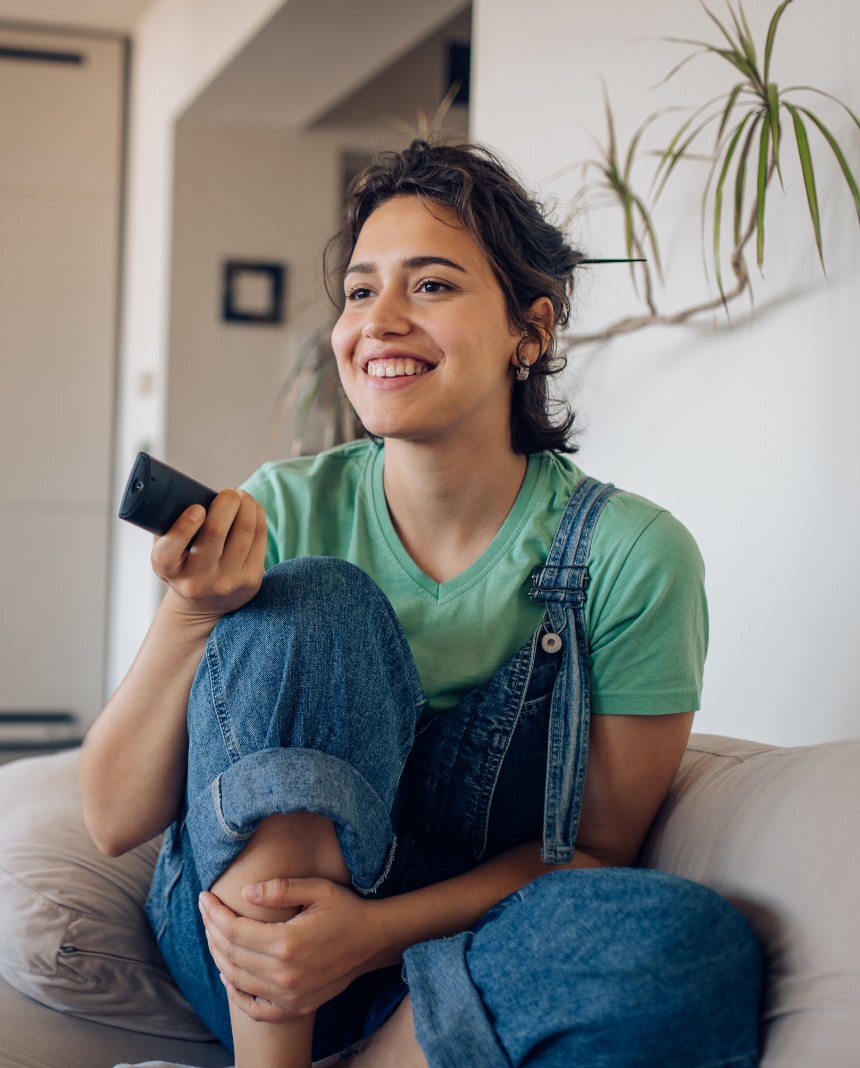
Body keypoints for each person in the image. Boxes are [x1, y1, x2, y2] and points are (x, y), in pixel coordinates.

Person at [79, 140, 762, 1068]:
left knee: (690, 947)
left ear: (531, 330)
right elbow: (114, 818)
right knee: (319, 600)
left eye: (431, 286)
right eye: (361, 291)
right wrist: (190, 614)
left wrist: (369, 932)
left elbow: (591, 855)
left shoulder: (630, 555)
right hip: (243, 965)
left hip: (456, 954)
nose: (379, 322)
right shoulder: (283, 507)